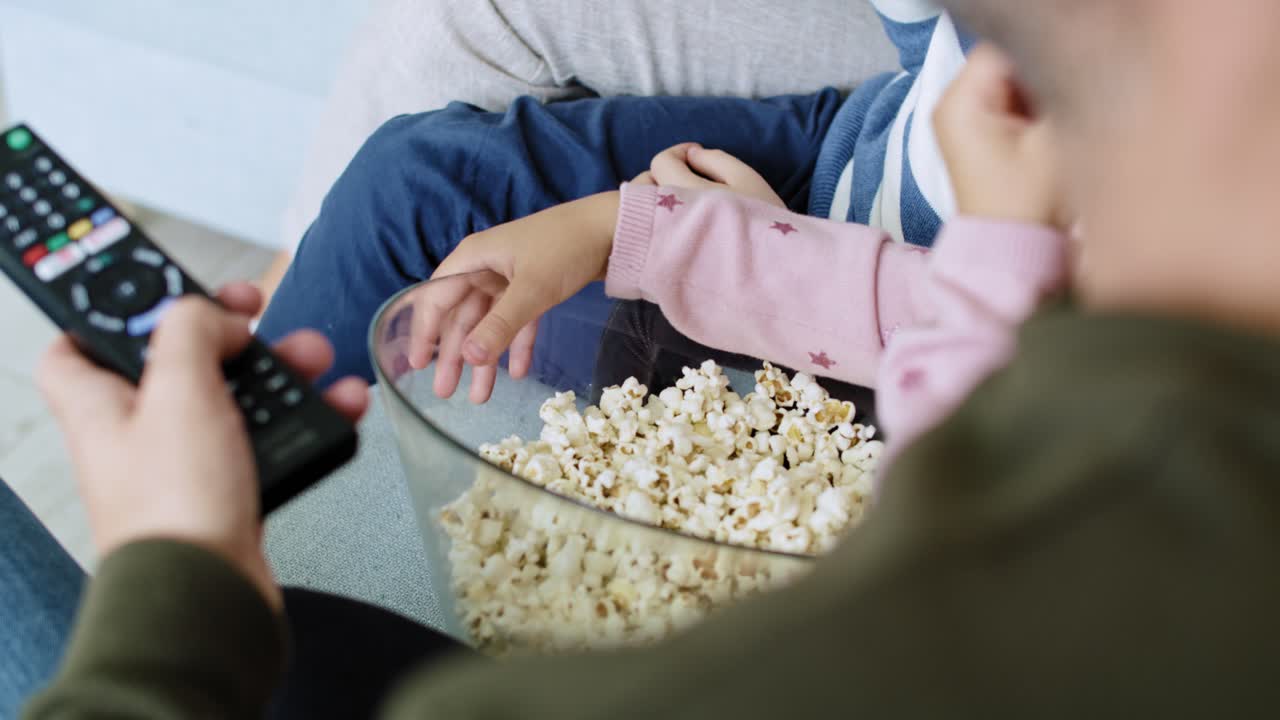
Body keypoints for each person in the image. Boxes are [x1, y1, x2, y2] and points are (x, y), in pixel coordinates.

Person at [11, 0, 1280, 717]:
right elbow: (966, 410)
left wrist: (173, 567)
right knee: (424, 170)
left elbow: (960, 451)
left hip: (831, 301)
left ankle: (264, 465)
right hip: (859, 201)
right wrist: (634, 226)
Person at [256, 0, 972, 394]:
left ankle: (226, 468)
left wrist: (696, 240)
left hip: (848, 303)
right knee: (416, 179)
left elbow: (987, 332)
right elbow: (942, 53)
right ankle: (273, 336)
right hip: (872, 140)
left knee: (428, 207)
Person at [258, 0, 898, 301]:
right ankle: (279, 315)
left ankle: (268, 367)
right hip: (890, 107)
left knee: (412, 177)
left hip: (869, 139)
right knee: (441, 45)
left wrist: (605, 223)